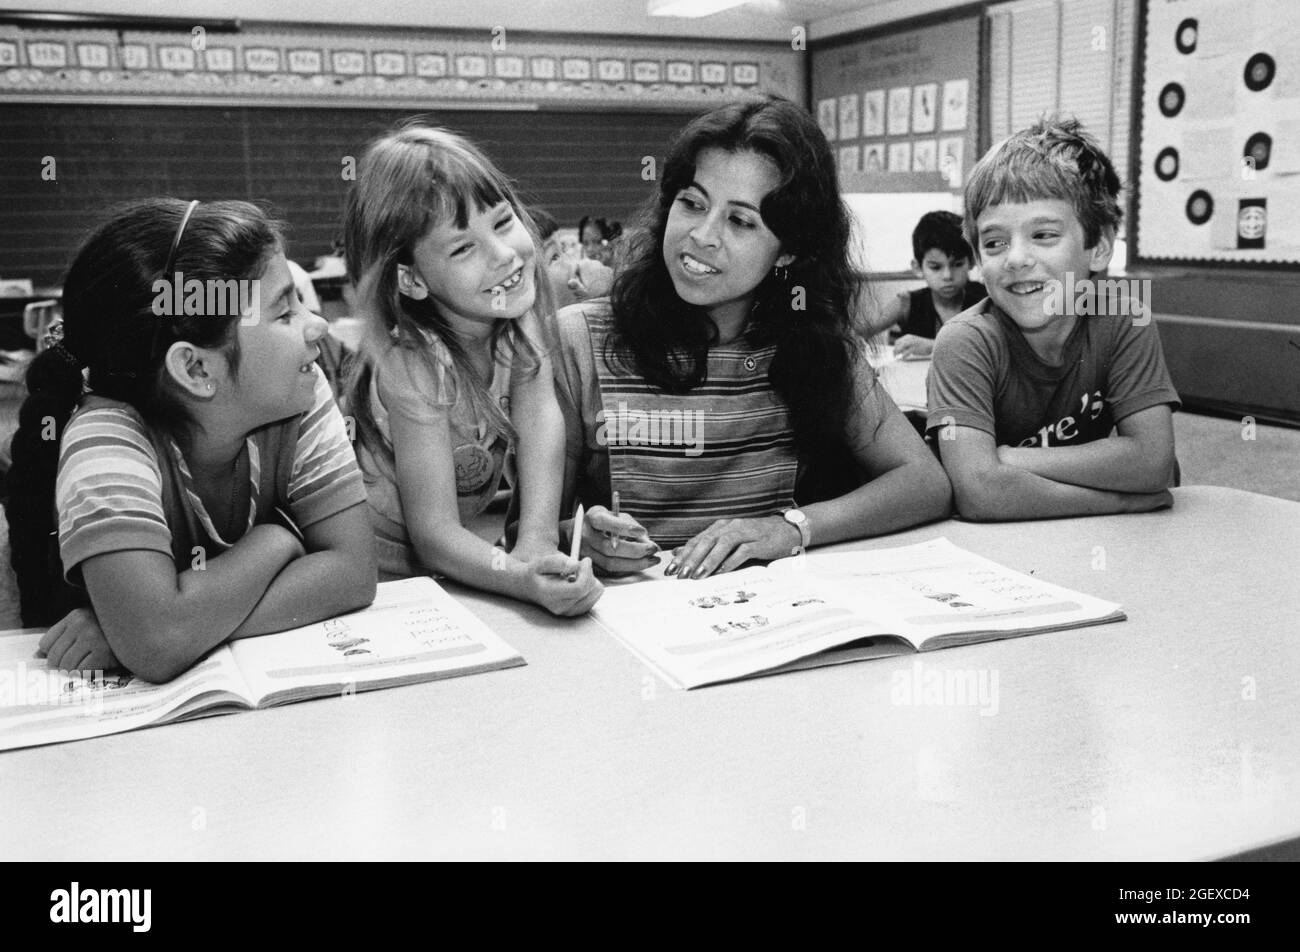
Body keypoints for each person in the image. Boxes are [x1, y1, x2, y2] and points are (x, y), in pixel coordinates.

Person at [552, 96, 952, 580]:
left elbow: (925, 483)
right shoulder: (580, 339)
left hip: (767, 619)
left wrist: (791, 528)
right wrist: (575, 538)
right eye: (692, 203)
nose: (702, 234)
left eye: (740, 221)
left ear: (789, 252)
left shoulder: (815, 347)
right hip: (622, 623)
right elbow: (520, 533)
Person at [4, 199, 377, 680]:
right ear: (196, 368)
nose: (317, 325)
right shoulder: (105, 439)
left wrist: (165, 630)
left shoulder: (298, 391)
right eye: (284, 314)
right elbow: (157, 643)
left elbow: (351, 574)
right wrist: (278, 539)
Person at [343, 123, 601, 616]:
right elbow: (434, 535)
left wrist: (538, 546)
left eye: (502, 222)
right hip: (377, 580)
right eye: (463, 248)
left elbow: (543, 425)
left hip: (449, 571)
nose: (504, 255)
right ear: (412, 280)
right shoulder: (413, 366)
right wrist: (520, 577)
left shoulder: (516, 326)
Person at [925, 117, 1180, 521]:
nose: (1016, 258)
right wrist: (1122, 501)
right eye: (994, 242)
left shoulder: (1124, 318)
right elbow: (980, 494)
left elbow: (1154, 463)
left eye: (1043, 235)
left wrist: (1007, 459)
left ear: (1098, 248)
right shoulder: (965, 341)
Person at [861, 210, 987, 359]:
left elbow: (1005, 348)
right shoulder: (906, 303)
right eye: (935, 267)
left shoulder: (987, 300)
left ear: (971, 262)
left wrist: (933, 346)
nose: (947, 276)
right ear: (918, 268)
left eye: (957, 264)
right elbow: (856, 333)